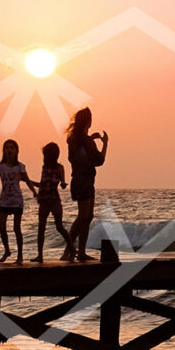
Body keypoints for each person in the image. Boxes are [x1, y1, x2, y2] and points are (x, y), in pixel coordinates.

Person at [65, 107, 108, 262]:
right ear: (88, 121)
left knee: (87, 217)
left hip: (78, 181)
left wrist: (91, 138)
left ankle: (78, 252)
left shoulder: (74, 139)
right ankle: (69, 251)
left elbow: (81, 152)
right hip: (85, 182)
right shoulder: (85, 141)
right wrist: (105, 143)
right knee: (83, 217)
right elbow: (99, 160)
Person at [0, 139, 38, 264]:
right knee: (2, 227)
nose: (9, 150)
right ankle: (7, 250)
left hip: (17, 200)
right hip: (4, 201)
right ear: (4, 151)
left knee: (17, 228)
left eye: (12, 148)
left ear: (16, 151)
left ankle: (20, 256)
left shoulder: (20, 166)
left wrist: (34, 192)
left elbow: (27, 180)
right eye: (7, 148)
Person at [32, 142, 73, 263]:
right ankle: (40, 255)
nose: (45, 157)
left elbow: (63, 183)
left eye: (46, 155)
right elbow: (42, 185)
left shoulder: (60, 168)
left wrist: (63, 184)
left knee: (59, 227)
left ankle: (72, 249)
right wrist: (28, 181)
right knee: (41, 228)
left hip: (54, 200)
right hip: (43, 201)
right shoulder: (44, 168)